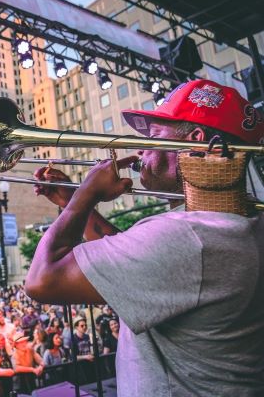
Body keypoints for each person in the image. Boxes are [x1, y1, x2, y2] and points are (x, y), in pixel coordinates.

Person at [25, 79, 264, 396]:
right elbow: (142, 262)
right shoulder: (239, 225)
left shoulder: (187, 237)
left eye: (153, 137)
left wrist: (87, 194)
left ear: (195, 143)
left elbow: (43, 279)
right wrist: (73, 199)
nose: (140, 150)